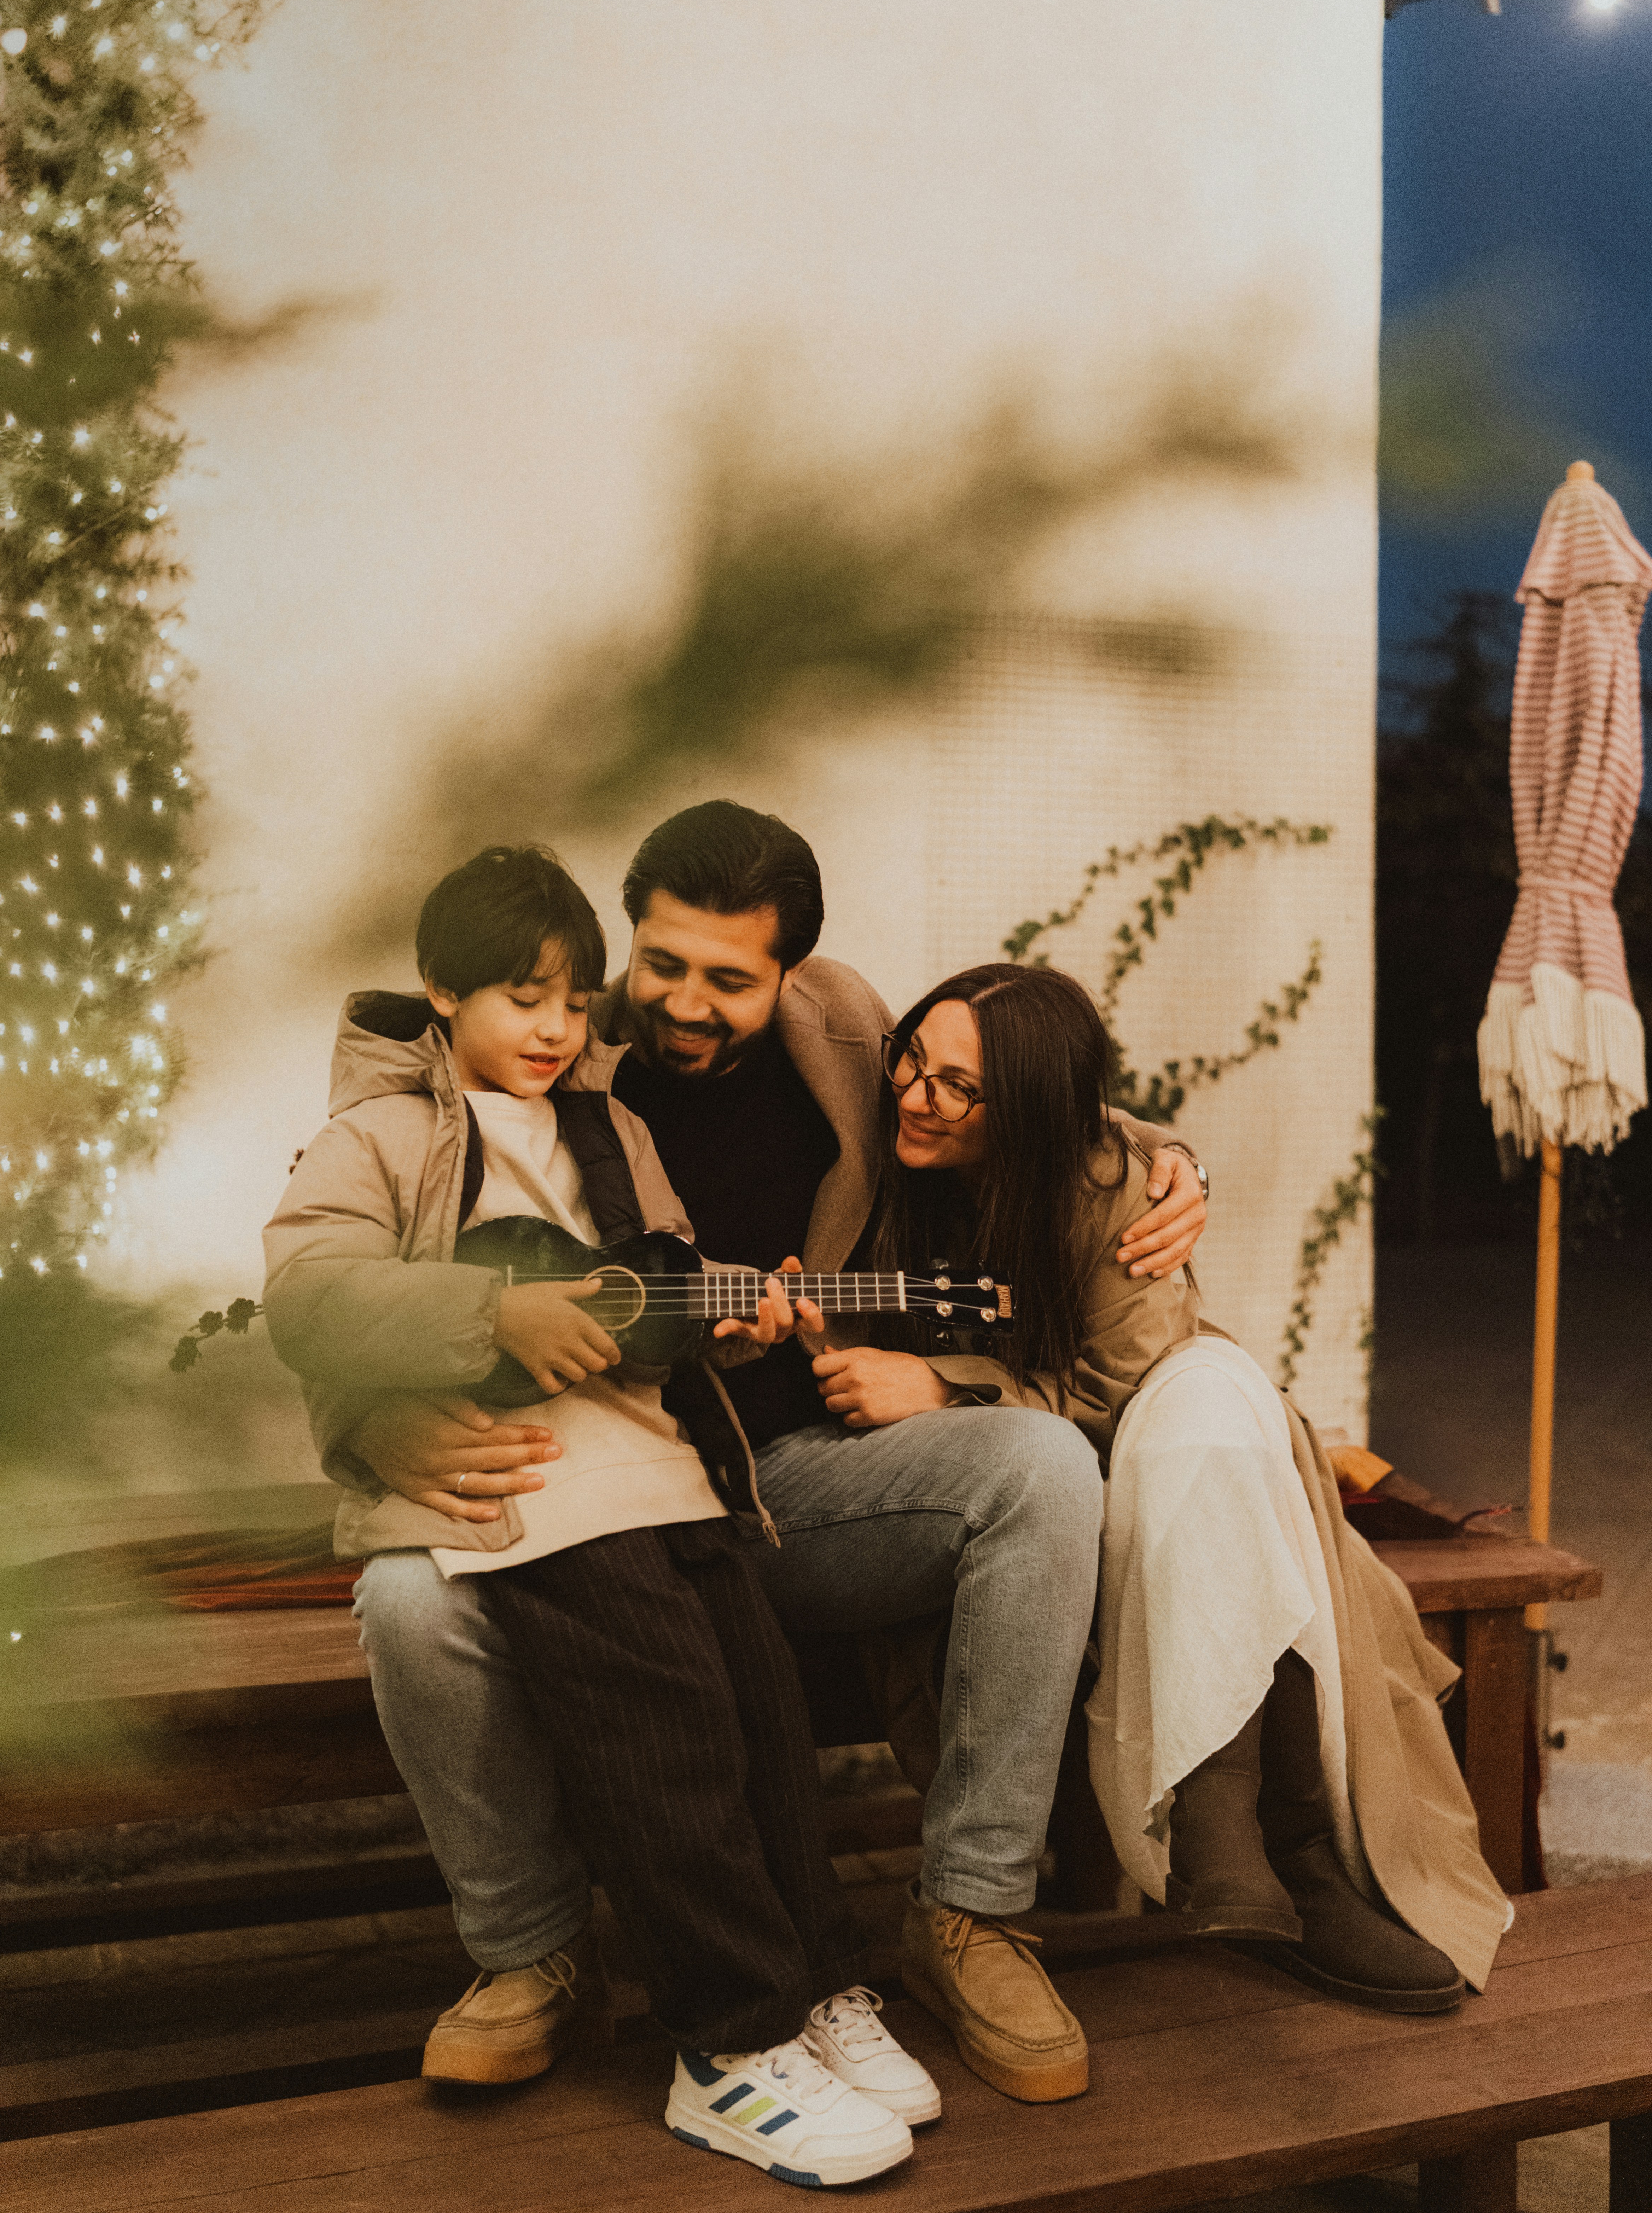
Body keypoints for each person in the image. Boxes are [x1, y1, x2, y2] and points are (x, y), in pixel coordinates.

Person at [336, 802, 1211, 2106]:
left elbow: (1017, 1087)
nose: (686, 1005)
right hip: (571, 1473)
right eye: (663, 965)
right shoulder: (533, 1031)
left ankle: (970, 1913)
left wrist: (1157, 1160)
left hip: (788, 1483)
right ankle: (531, 1954)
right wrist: (368, 1422)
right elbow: (336, 1264)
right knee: (408, 1599)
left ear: (790, 973)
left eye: (730, 980)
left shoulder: (844, 1032)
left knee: (1041, 1466)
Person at [263, 844, 936, 2189]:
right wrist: (489, 1313)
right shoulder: (376, 1137)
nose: (557, 1030)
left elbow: (657, 1294)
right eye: (523, 1000)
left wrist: (732, 1321)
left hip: (665, 1477)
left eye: (575, 1003)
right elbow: (309, 1297)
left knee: (758, 1710)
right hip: (536, 1487)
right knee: (665, 1738)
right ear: (441, 990)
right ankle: (728, 2044)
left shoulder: (608, 1129)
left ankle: (812, 1983)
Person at [737, 961, 1509, 2023]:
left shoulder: (1109, 1193)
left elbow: (1117, 1387)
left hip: (1142, 1463)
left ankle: (1259, 1843)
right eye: (912, 1061)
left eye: (960, 1088)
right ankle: (1268, 1849)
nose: (917, 1095)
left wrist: (945, 1384)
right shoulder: (881, 1145)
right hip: (1003, 1505)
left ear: (1032, 1112)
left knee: (1209, 1398)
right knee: (1205, 1428)